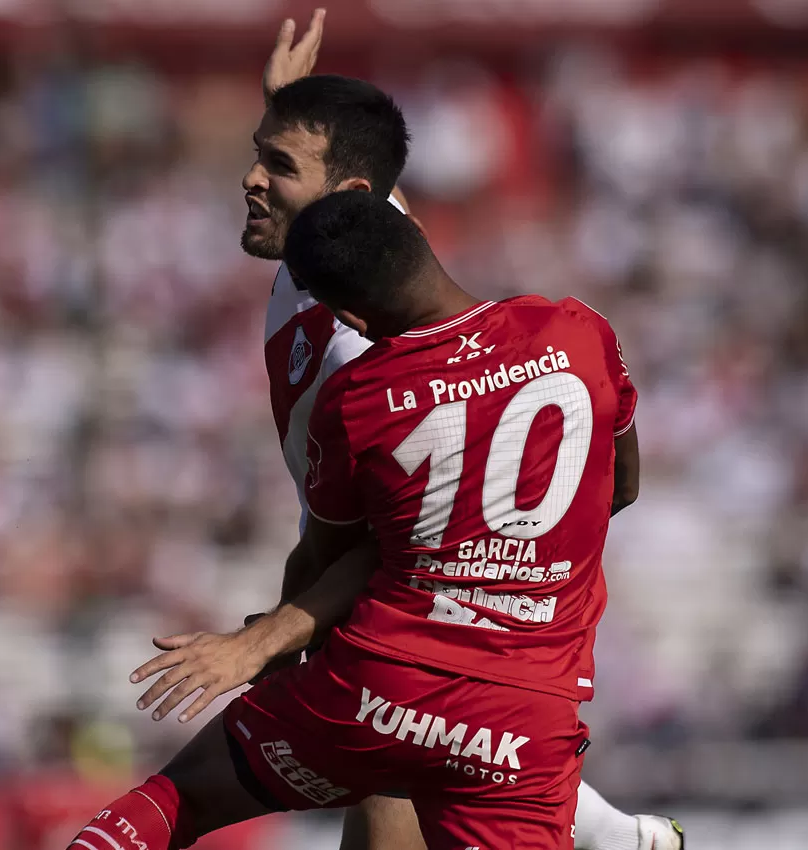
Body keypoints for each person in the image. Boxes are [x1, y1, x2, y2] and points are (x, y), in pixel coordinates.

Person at [61, 190, 675, 850]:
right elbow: (622, 486)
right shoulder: (578, 329)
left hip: (379, 690)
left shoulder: (358, 398)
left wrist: (263, 642)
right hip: (522, 719)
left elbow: (337, 558)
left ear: (348, 314)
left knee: (180, 797)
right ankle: (620, 836)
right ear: (423, 242)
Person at [235, 12, 684, 850]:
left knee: (389, 775)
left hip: (407, 611)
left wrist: (286, 627)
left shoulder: (361, 358)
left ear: (345, 203)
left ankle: (612, 835)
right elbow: (364, 176)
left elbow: (364, 556)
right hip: (413, 628)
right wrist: (293, 106)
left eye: (278, 165)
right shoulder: (345, 247)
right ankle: (615, 835)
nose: (253, 179)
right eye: (259, 157)